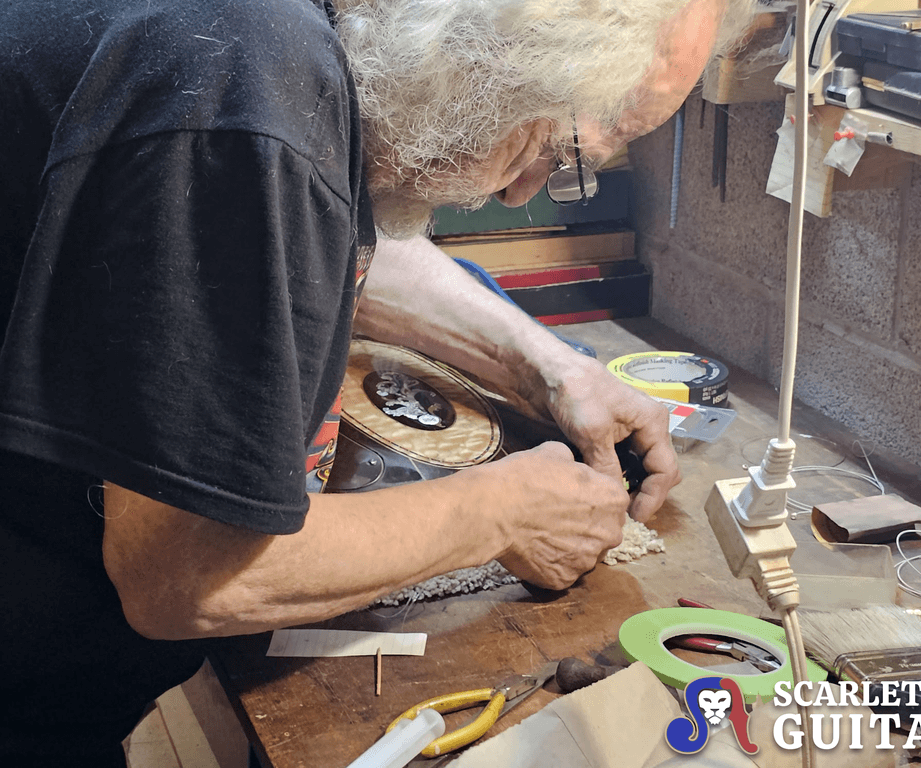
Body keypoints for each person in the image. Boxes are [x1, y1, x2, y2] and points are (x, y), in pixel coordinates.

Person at [0, 0, 754, 763]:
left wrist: (553, 370)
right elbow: (188, 571)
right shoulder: (240, 72)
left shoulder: (288, 49)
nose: (522, 193)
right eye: (562, 151)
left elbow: (301, 230)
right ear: (490, 45)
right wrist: (497, 517)